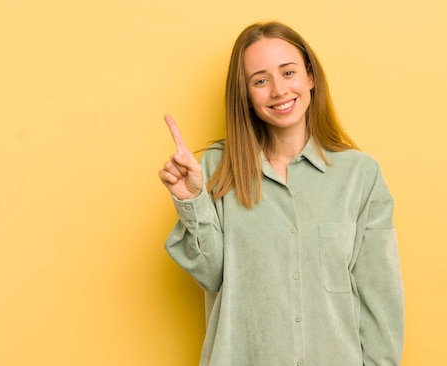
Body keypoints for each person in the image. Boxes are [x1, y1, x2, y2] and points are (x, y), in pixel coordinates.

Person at [159, 21, 404, 366]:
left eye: (288, 72)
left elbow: (381, 299)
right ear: (244, 94)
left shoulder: (360, 175)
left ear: (310, 77)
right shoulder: (216, 168)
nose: (278, 90)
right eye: (260, 80)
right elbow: (212, 275)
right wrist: (192, 200)